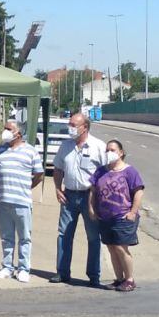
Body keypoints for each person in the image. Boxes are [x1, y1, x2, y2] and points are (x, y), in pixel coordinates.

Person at [52, 112, 107, 286]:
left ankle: (94, 275)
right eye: (69, 124)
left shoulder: (98, 146)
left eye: (73, 125)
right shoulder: (66, 146)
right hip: (69, 195)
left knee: (93, 236)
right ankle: (62, 272)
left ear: (85, 127)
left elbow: (106, 174)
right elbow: (58, 169)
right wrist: (57, 188)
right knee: (64, 234)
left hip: (90, 197)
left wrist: (97, 196)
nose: (70, 128)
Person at [0, 119, 43, 282]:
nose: (4, 131)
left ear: (18, 133)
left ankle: (23, 269)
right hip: (2, 199)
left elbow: (39, 175)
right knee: (6, 237)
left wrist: (25, 186)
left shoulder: (30, 151)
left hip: (21, 201)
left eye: (8, 129)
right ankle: (7, 267)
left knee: (24, 237)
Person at [90, 140, 144, 292]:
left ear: (121, 152)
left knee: (121, 247)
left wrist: (132, 212)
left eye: (113, 150)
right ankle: (119, 279)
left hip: (123, 216)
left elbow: (138, 192)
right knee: (111, 247)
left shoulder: (130, 171)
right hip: (105, 217)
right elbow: (93, 191)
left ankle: (129, 279)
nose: (109, 153)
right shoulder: (101, 171)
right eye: (107, 150)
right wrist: (91, 208)